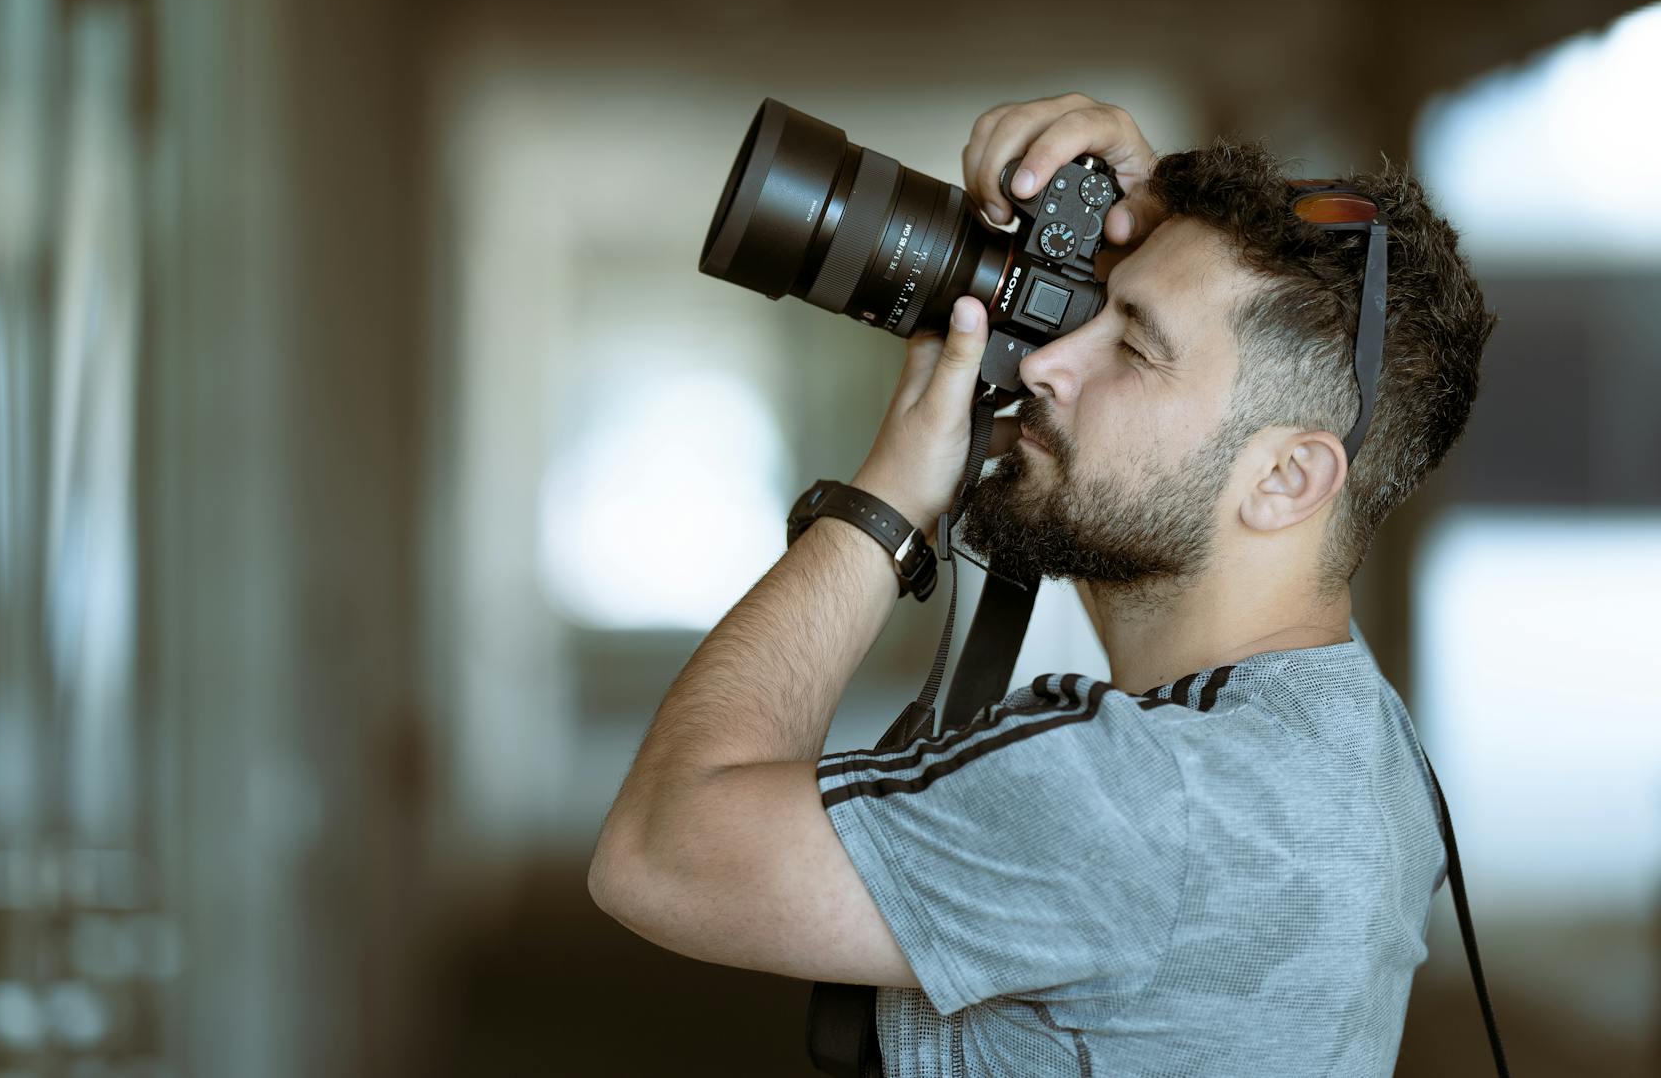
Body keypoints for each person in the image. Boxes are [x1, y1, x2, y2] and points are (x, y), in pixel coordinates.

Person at [587, 93, 1497, 1077]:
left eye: (1135, 346)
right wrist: (1133, 242)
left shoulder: (1149, 797)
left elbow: (656, 850)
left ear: (1285, 479)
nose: (1052, 362)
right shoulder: (1347, 737)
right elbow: (1155, 545)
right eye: (1090, 310)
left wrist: (886, 495)